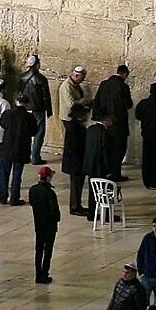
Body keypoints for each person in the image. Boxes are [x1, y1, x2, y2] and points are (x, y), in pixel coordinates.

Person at [92, 65, 134, 182]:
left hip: (106, 123)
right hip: (118, 125)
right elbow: (128, 105)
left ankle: (107, 172)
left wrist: (101, 118)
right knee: (119, 150)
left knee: (108, 149)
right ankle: (116, 174)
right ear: (125, 74)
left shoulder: (103, 84)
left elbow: (97, 102)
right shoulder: (123, 87)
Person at [59, 66, 89, 215]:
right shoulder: (66, 86)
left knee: (76, 183)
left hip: (75, 162)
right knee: (76, 183)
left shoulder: (77, 127)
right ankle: (75, 207)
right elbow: (72, 104)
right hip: (76, 163)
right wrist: (83, 102)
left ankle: (76, 205)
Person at [0, 94, 37, 205]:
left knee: (4, 174)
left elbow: (2, 124)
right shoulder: (29, 117)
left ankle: (2, 197)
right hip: (21, 148)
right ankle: (14, 198)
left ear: (15, 101)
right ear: (27, 103)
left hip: (7, 147)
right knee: (17, 175)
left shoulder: (7, 114)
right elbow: (34, 132)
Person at [18, 55, 53, 165]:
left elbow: (19, 93)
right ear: (37, 64)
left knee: (26, 133)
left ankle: (25, 155)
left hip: (25, 109)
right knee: (38, 134)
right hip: (38, 109)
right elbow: (46, 96)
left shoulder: (22, 77)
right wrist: (49, 111)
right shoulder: (41, 78)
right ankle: (35, 157)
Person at [29, 166, 60, 284]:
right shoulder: (50, 192)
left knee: (39, 250)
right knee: (48, 251)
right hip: (50, 226)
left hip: (38, 224)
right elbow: (54, 211)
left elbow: (32, 203)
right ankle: (44, 274)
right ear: (47, 177)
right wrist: (56, 220)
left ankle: (38, 274)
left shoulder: (33, 189)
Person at [83, 116, 114, 220]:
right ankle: (106, 215)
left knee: (93, 192)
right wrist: (109, 169)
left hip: (90, 165)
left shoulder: (90, 129)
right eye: (110, 120)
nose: (112, 122)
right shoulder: (105, 133)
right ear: (105, 120)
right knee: (105, 192)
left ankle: (91, 213)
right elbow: (106, 153)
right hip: (101, 168)